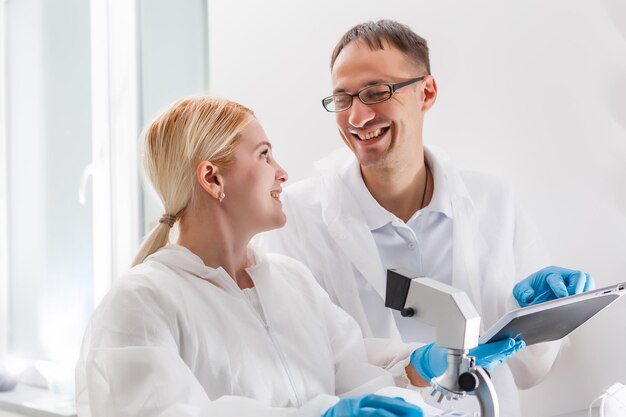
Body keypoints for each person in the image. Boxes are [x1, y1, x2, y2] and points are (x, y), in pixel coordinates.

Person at [75, 97, 523, 417]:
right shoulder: (142, 301)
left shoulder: (290, 282)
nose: (282, 172)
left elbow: (359, 381)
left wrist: (426, 368)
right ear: (212, 179)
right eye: (264, 155)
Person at [257, 20, 594, 416]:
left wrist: (538, 316)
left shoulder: (492, 202)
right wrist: (419, 362)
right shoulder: (296, 218)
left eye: (376, 92)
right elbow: (299, 362)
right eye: (343, 98)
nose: (358, 116)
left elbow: (529, 370)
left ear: (427, 92)